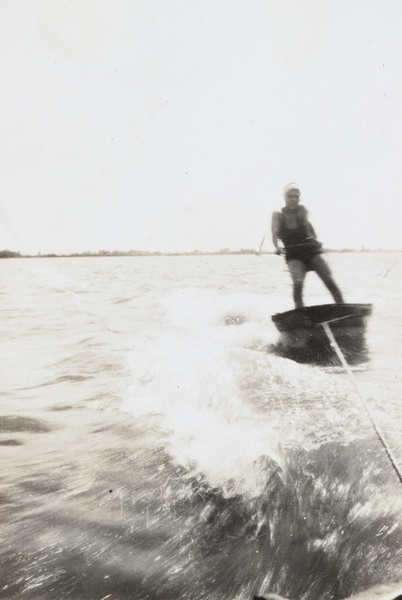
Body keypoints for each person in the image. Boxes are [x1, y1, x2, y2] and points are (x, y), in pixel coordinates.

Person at [271, 182, 344, 309]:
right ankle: (299, 312)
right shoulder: (278, 214)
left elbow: (308, 227)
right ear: (284, 197)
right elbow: (274, 234)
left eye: (296, 196)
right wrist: (277, 248)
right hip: (294, 254)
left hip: (311, 250)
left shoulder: (302, 210)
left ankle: (343, 308)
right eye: (290, 196)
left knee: (328, 277)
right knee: (298, 282)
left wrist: (316, 241)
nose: (294, 199)